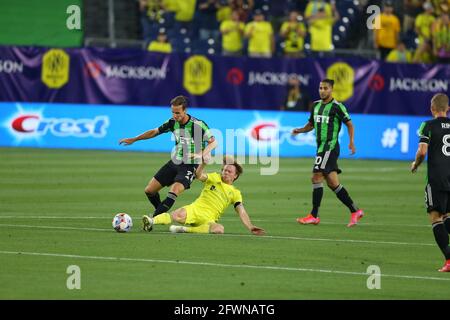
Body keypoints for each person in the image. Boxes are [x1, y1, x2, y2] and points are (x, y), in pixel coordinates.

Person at [119, 95, 217, 221]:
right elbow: (154, 131)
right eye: (173, 112)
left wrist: (201, 154)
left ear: (185, 110)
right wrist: (134, 139)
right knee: (149, 190)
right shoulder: (172, 122)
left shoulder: (198, 125)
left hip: (190, 164)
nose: (175, 116)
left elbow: (214, 142)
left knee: (174, 190)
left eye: (178, 113)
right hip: (175, 161)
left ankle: (153, 219)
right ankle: (161, 214)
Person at [291, 79, 364, 227]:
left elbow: (350, 124)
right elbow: (311, 125)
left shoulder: (337, 107)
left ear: (331, 90)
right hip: (320, 148)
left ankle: (314, 215)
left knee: (316, 176)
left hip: (329, 148)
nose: (322, 90)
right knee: (332, 183)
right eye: (320, 88)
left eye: (325, 88)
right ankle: (355, 210)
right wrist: (299, 130)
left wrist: (351, 142)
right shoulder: (316, 105)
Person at [142, 156, 265, 235]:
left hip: (209, 219)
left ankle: (183, 230)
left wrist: (250, 226)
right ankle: (151, 221)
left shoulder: (235, 193)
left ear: (235, 176)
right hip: (195, 209)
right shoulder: (214, 177)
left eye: (229, 171)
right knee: (175, 215)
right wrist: (203, 165)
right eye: (224, 170)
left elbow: (241, 211)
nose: (225, 172)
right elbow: (199, 175)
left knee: (219, 229)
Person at [411, 93, 450, 272]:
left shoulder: (427, 125)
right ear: (447, 108)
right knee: (448, 215)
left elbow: (422, 151)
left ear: (432, 109)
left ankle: (449, 259)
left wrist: (416, 164)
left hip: (437, 178)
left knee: (436, 217)